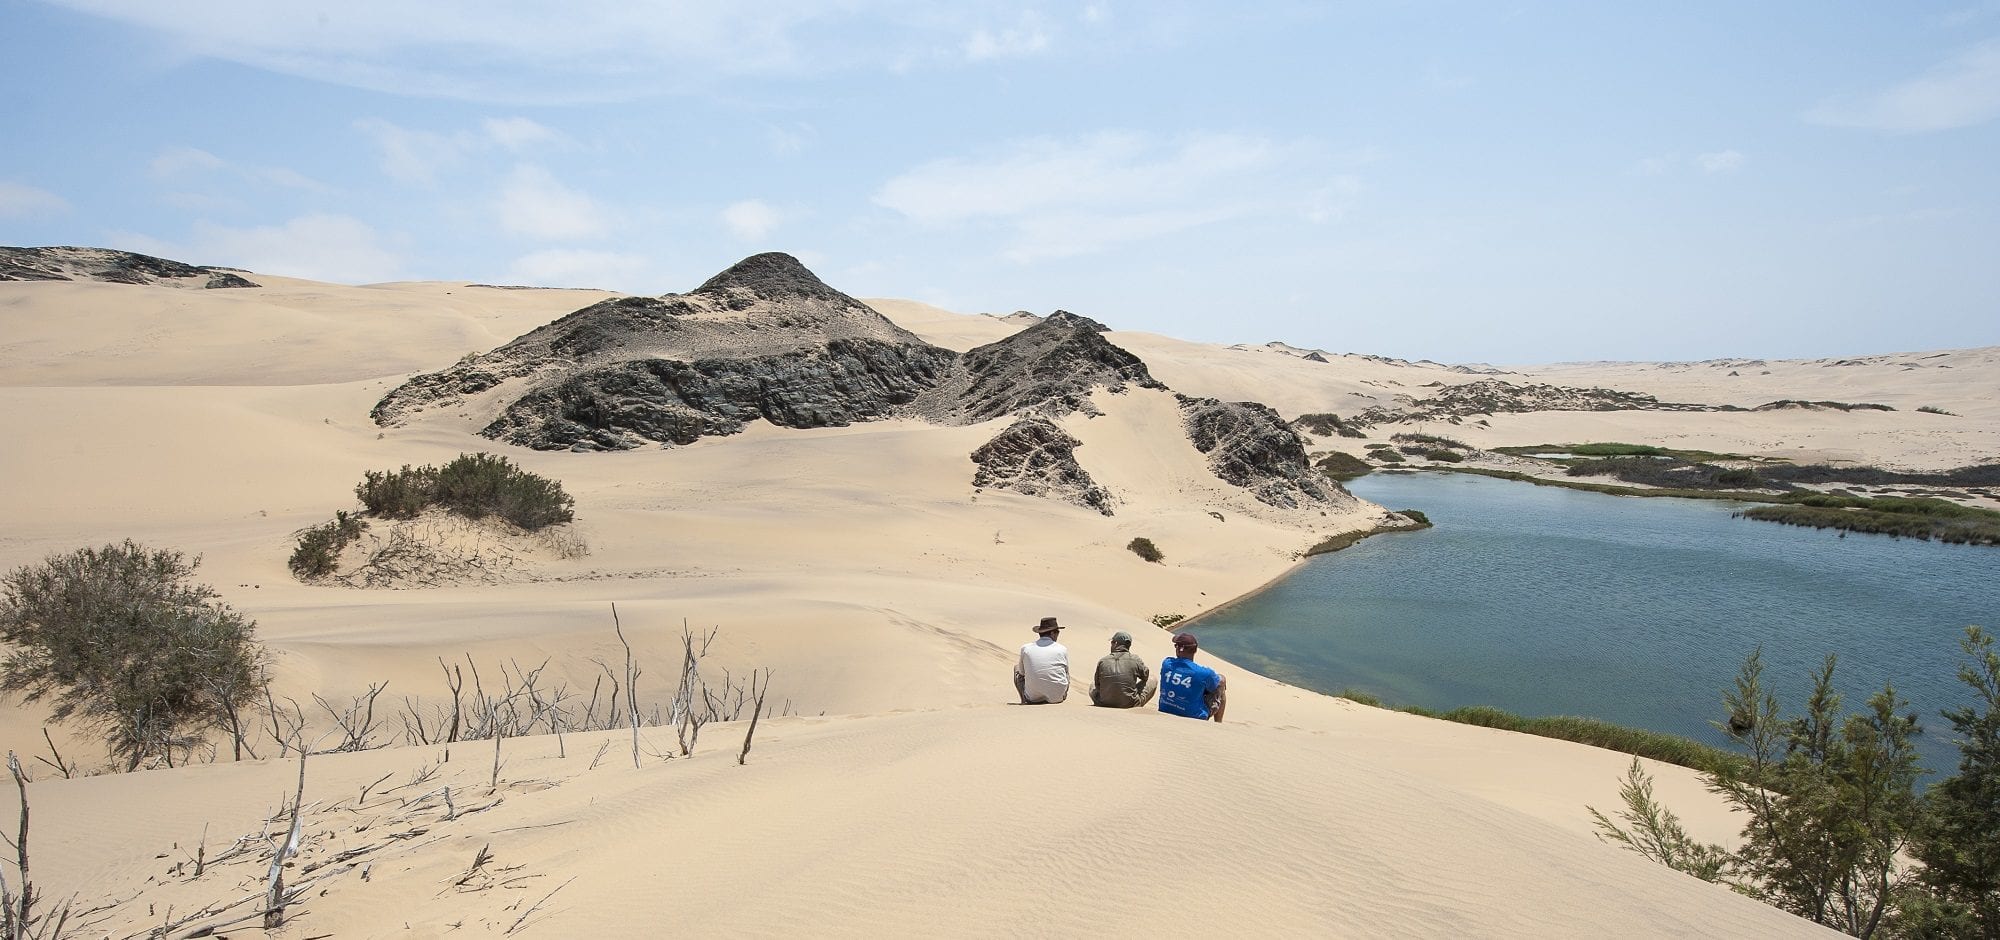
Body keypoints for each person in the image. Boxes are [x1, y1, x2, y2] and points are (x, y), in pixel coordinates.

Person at [1159, 632, 1225, 722]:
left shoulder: (1167, 663)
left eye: (1176, 646)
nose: (1176, 648)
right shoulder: (1204, 673)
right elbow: (1215, 685)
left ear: (1179, 649)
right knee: (1221, 680)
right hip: (1193, 716)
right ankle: (1218, 723)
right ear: (1195, 650)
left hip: (1165, 709)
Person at [1090, 631, 1156, 708]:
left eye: (1112, 642)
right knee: (1152, 678)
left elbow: (1097, 684)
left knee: (1092, 685)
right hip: (1129, 704)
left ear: (1116, 643)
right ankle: (1136, 704)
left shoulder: (1103, 661)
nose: (1111, 645)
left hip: (1103, 703)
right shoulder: (1135, 659)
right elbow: (1145, 676)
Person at [1014, 616, 1070, 704]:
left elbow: (1021, 673)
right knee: (1066, 672)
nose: (1058, 635)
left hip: (1033, 698)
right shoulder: (1062, 649)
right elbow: (1065, 672)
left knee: (1016, 668)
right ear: (1052, 633)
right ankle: (1058, 693)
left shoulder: (1026, 648)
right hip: (1057, 698)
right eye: (1057, 632)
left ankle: (1024, 700)